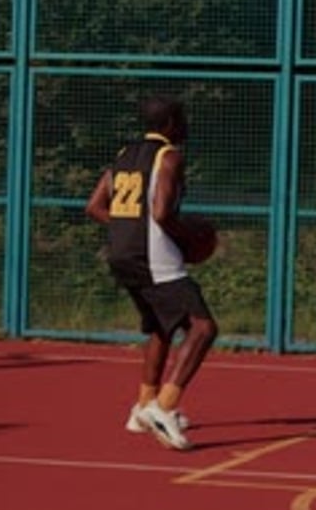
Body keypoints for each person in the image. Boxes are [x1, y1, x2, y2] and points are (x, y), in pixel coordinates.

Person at [85, 94, 217, 450]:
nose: (186, 126)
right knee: (203, 328)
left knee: (162, 325)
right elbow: (160, 213)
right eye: (183, 119)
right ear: (171, 123)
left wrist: (126, 229)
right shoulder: (169, 156)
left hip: (121, 252)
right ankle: (165, 407)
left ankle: (143, 407)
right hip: (152, 254)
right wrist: (188, 240)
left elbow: (95, 206)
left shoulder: (124, 155)